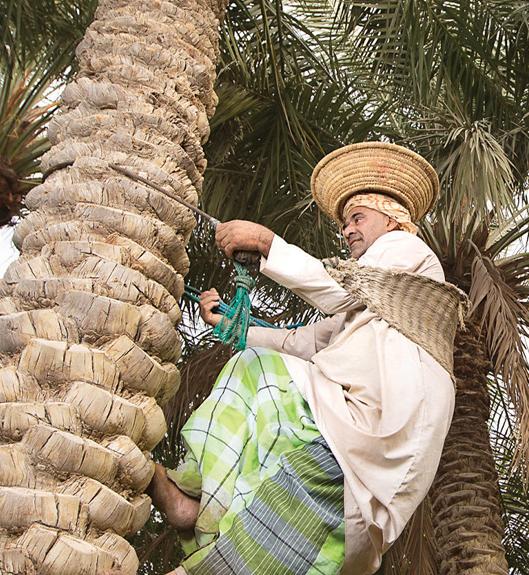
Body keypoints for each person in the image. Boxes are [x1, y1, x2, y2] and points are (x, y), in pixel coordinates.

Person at [147, 142, 458, 575]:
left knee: (256, 373)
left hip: (375, 437)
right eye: (345, 222)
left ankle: (191, 498)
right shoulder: (369, 307)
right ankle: (193, 499)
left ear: (391, 220)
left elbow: (342, 288)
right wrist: (233, 328)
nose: (347, 230)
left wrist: (266, 243)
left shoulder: (405, 251)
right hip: (358, 439)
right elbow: (305, 342)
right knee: (254, 369)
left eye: (357, 218)